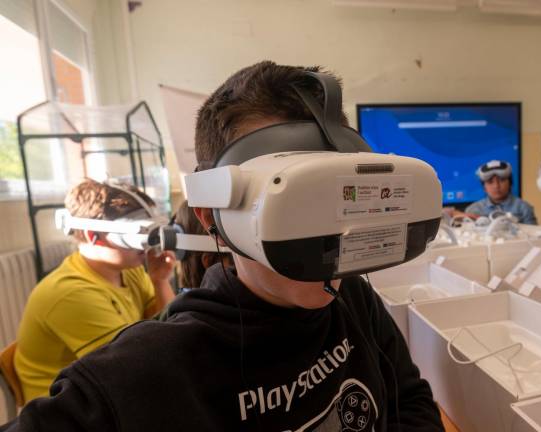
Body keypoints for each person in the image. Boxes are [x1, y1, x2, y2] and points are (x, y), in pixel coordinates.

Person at [1, 62, 444, 431]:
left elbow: (409, 399)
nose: (327, 232)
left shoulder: (353, 297)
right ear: (212, 212)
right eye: (300, 199)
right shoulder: (149, 372)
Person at [12, 179, 176, 403]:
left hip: (105, 388)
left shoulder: (129, 269)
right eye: (137, 233)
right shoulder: (70, 293)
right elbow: (133, 368)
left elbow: (166, 329)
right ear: (93, 235)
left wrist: (160, 281)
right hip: (64, 412)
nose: (147, 244)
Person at [460, 159, 537, 224]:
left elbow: (535, 239)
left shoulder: (524, 208)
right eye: (490, 182)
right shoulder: (473, 210)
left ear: (510, 183)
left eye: (502, 180)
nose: (496, 186)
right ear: (484, 187)